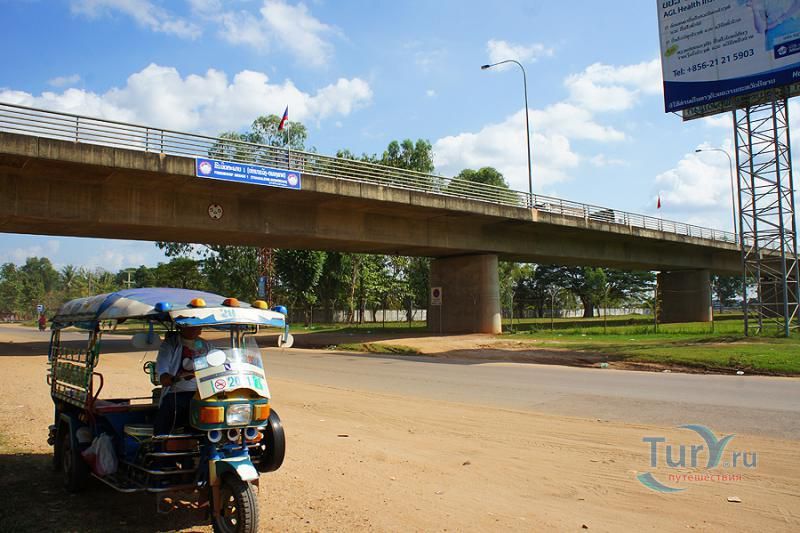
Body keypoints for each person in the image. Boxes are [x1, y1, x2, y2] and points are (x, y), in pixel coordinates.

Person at [153, 326, 210, 436]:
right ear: (181, 326)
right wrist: (175, 377)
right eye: (191, 326)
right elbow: (163, 374)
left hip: (201, 394)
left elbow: (218, 361)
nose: (196, 328)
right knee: (163, 421)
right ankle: (160, 445)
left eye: (198, 326)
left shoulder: (206, 346)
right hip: (176, 394)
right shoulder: (170, 345)